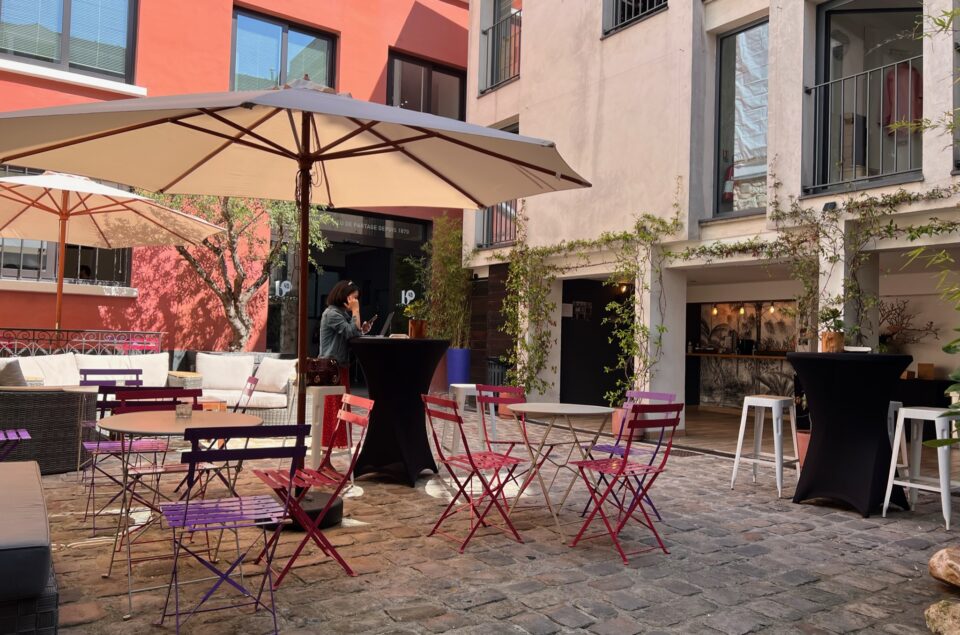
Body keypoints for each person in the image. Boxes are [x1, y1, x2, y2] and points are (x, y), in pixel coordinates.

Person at [318, 280, 372, 389]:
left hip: (340, 364)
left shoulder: (342, 313)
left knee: (343, 398)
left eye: (356, 298)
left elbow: (352, 332)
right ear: (343, 296)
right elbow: (351, 333)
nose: (355, 301)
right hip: (332, 366)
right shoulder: (332, 314)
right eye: (354, 298)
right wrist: (355, 310)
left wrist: (362, 331)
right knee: (337, 398)